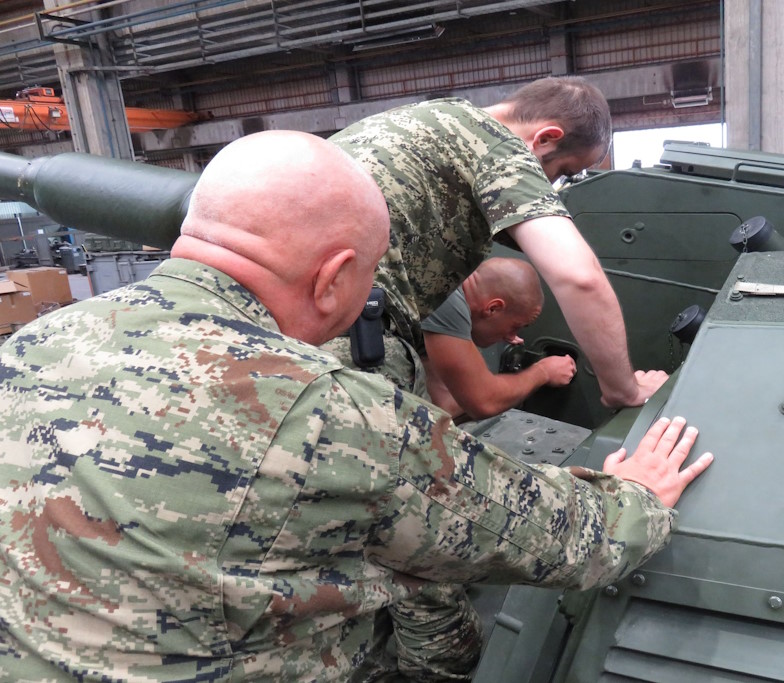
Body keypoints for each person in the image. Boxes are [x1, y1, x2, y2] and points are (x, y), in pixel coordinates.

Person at [0, 130, 713, 681]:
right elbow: (561, 539)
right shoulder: (324, 409)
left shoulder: (34, 342)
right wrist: (638, 496)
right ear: (338, 275)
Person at [329, 76, 667, 409]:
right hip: (346, 334)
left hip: (301, 317)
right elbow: (580, 277)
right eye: (560, 171)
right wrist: (625, 390)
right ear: (546, 139)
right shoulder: (500, 147)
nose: (551, 185)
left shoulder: (425, 118)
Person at [421, 257, 576, 421]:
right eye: (515, 326)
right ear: (493, 308)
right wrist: (543, 371)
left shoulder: (447, 282)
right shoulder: (445, 299)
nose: (512, 337)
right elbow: (482, 401)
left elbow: (444, 403)